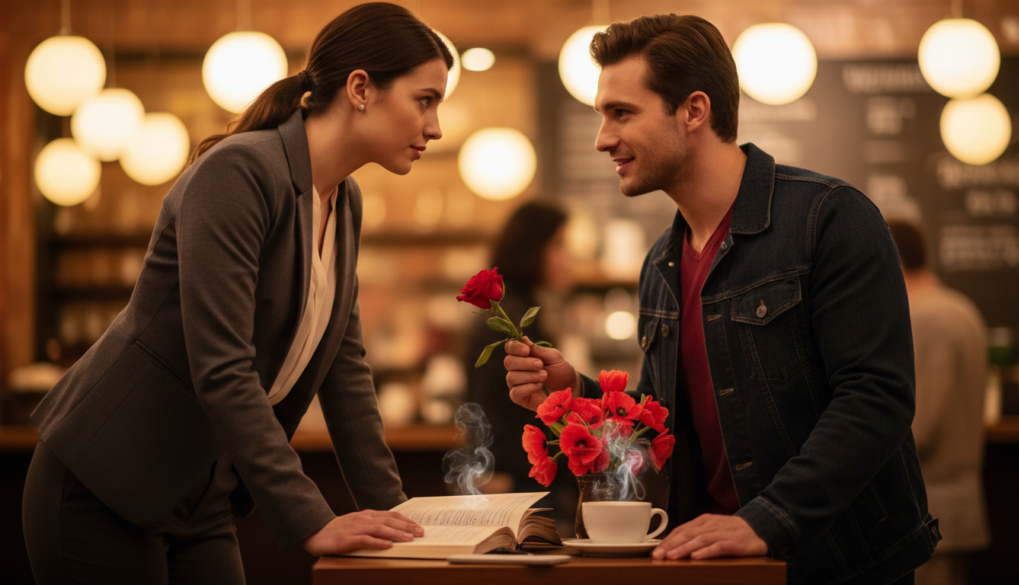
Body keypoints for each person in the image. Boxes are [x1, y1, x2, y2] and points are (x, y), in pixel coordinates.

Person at [502, 13, 938, 584]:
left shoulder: (828, 218)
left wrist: (767, 520)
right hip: (713, 564)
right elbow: (664, 430)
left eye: (621, 113)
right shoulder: (661, 262)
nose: (602, 138)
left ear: (693, 110)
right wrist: (577, 393)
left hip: (840, 564)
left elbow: (876, 397)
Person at [23, 3, 452, 583]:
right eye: (424, 100)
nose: (436, 126)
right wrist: (310, 520)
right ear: (360, 88)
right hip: (103, 482)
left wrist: (404, 521)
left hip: (201, 494)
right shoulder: (242, 173)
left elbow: (344, 371)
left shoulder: (343, 201)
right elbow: (222, 365)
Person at [888, 220, 990, 585]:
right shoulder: (961, 308)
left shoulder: (924, 318)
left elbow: (920, 426)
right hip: (953, 509)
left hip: (930, 511)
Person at [463, 201, 576, 528]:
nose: (568, 259)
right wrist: (495, 471)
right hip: (520, 482)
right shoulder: (513, 321)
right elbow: (490, 406)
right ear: (532, 249)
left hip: (520, 476)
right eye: (559, 245)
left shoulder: (517, 310)